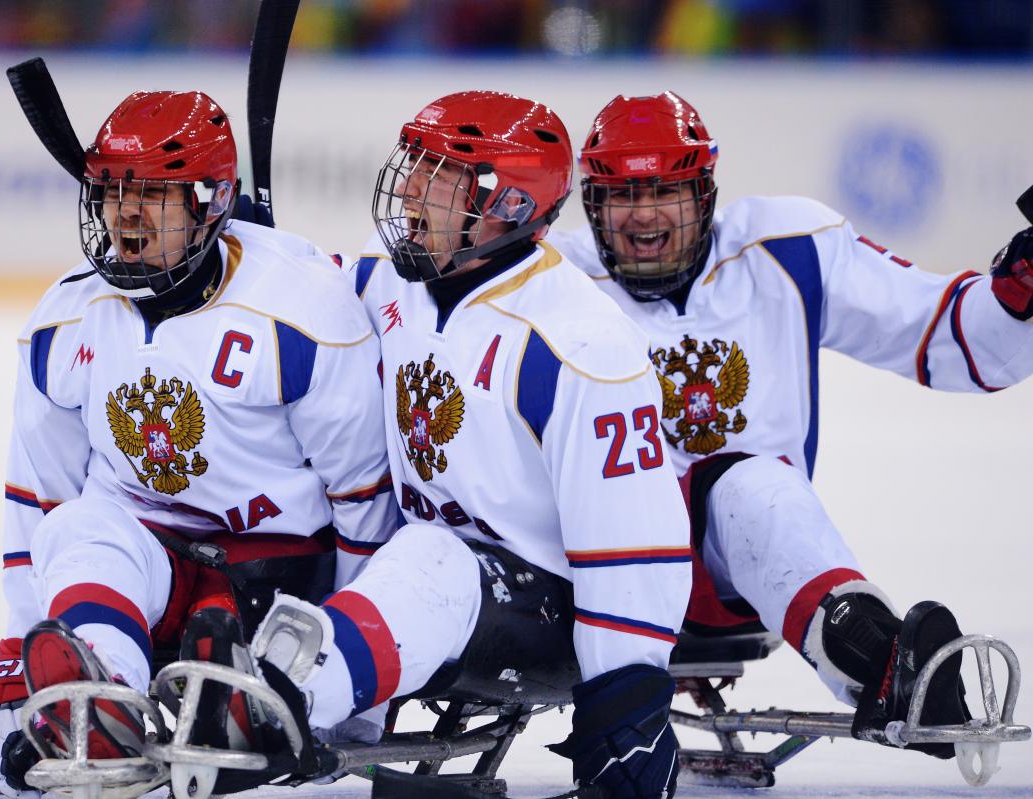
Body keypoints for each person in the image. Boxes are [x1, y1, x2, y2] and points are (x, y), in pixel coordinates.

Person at [195, 90, 693, 799]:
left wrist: (628, 705)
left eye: (440, 176)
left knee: (430, 554)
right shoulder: (391, 277)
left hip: (551, 614)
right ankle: (247, 677)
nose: (412, 190)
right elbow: (308, 302)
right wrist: (250, 254)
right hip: (431, 575)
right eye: (417, 167)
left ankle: (273, 699)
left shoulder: (580, 342)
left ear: (509, 205)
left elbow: (635, 549)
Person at [549, 91, 1033, 758]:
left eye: (665, 189)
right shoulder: (552, 281)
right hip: (586, 570)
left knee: (752, 484)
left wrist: (1017, 296)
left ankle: (883, 660)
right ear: (592, 204)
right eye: (621, 193)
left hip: (734, 575)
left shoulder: (790, 250)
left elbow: (957, 339)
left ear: (705, 191)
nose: (643, 214)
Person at [0, 89, 396, 797]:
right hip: (154, 576)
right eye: (112, 190)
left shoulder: (303, 311)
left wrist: (355, 688)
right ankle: (96, 693)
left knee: (225, 623)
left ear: (210, 203)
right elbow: (37, 513)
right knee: (79, 525)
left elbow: (365, 504)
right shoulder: (64, 321)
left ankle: (233, 675)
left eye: (153, 194)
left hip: (280, 584)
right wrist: (17, 673)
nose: (125, 214)